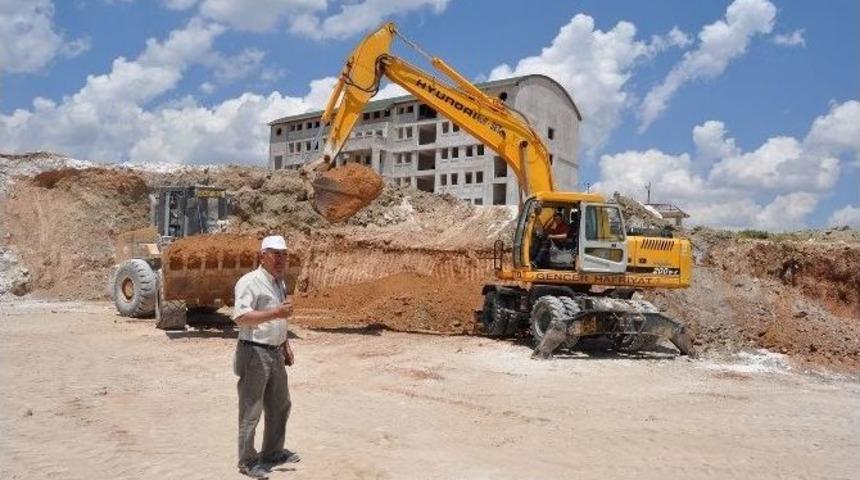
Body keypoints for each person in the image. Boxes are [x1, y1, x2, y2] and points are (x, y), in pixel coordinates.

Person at [232, 235, 300, 479]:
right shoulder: (249, 282)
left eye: (284, 254)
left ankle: (272, 452)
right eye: (275, 253)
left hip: (274, 351)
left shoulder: (278, 282)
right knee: (252, 409)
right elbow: (241, 318)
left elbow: (279, 318)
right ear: (263, 256)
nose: (281, 259)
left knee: (280, 405)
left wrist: (285, 343)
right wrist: (275, 312)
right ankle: (248, 462)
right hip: (254, 351)